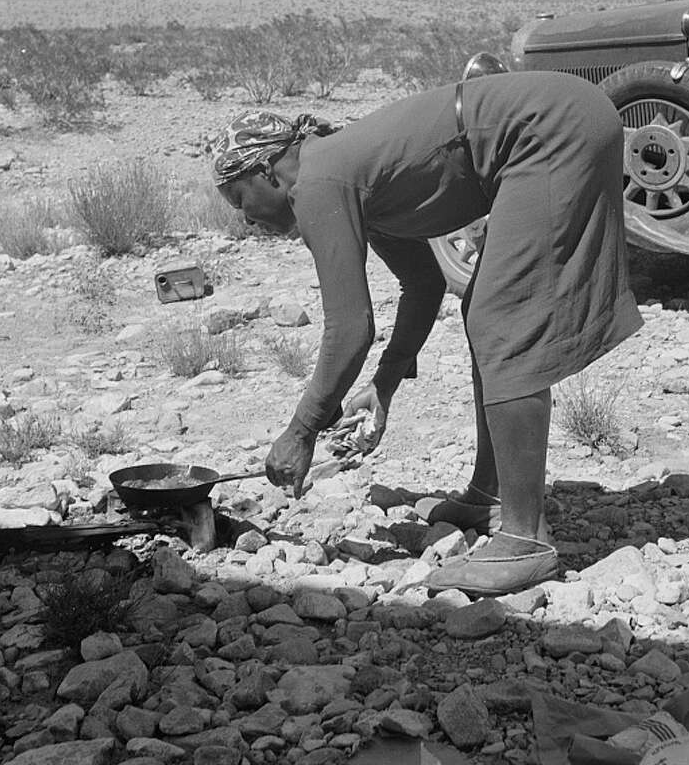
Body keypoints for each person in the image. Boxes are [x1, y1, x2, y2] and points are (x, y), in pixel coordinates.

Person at [212, 70, 643, 595]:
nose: (246, 218)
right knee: (483, 309)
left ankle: (526, 538)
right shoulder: (346, 175)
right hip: (558, 121)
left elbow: (349, 328)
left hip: (552, 130)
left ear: (268, 172)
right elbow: (423, 282)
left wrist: (301, 432)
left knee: (501, 318)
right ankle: (491, 493)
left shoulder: (319, 181)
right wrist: (385, 384)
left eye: (238, 199)